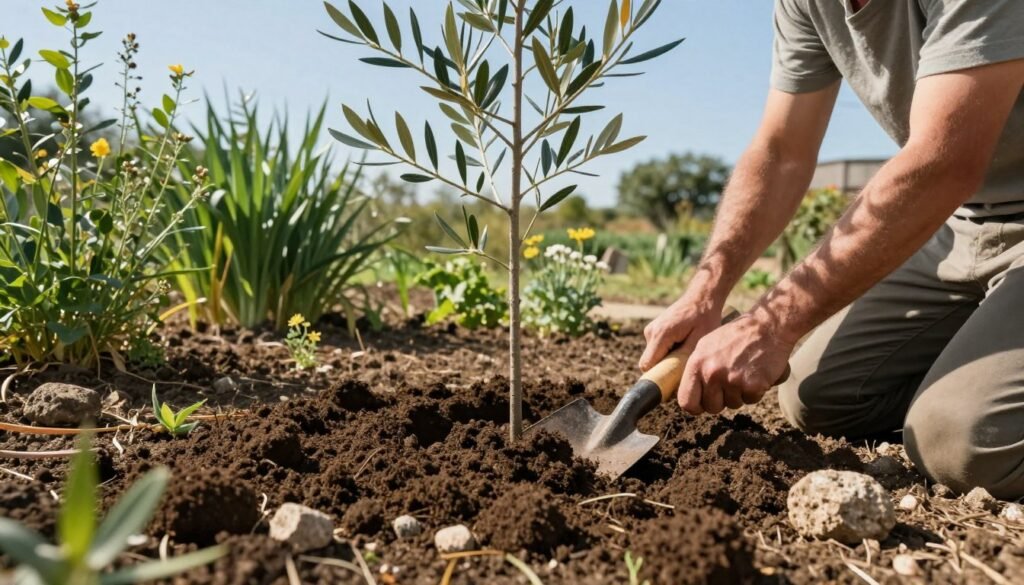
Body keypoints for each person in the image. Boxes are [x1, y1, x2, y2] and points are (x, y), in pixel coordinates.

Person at [640, 0, 1024, 499]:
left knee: (963, 442)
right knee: (822, 398)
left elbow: (943, 161)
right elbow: (781, 153)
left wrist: (771, 325)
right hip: (965, 223)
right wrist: (705, 291)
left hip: (957, 189)